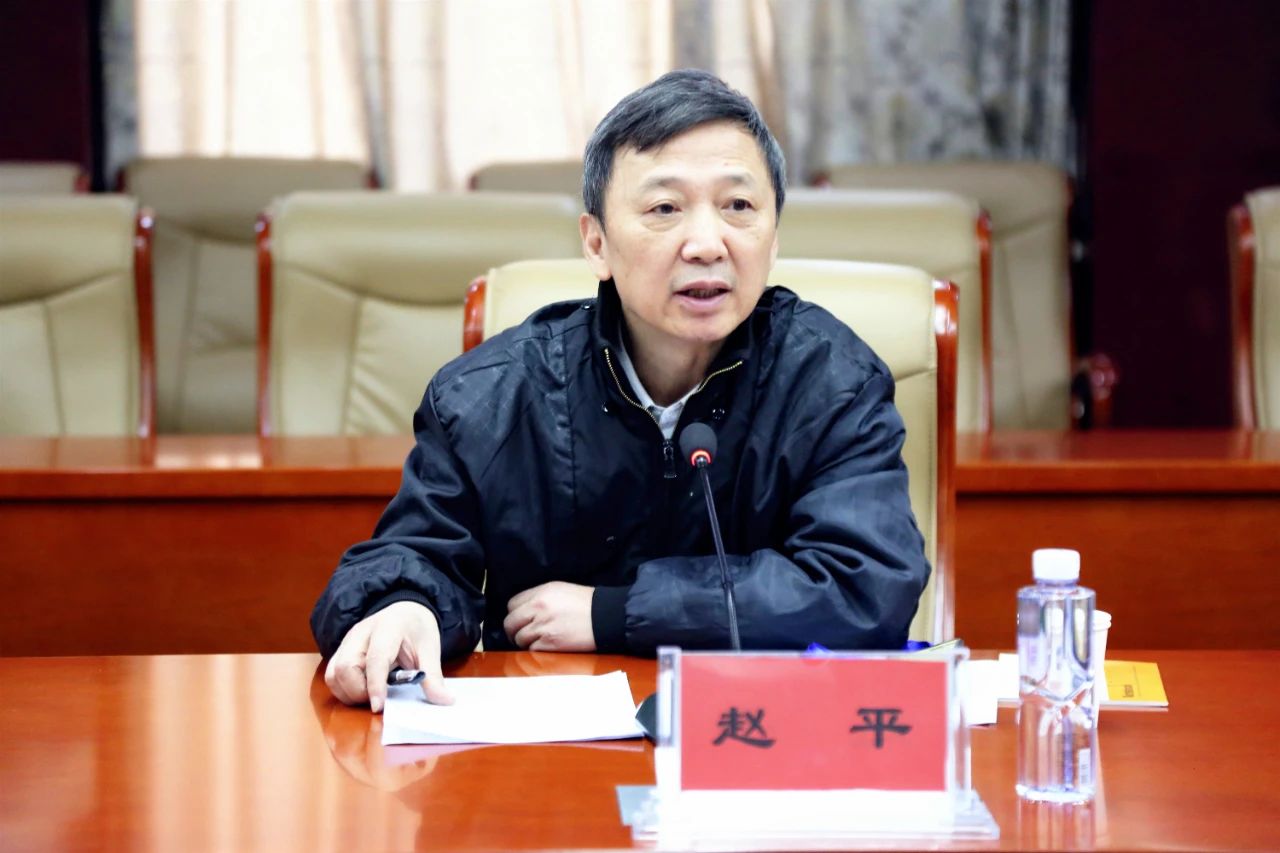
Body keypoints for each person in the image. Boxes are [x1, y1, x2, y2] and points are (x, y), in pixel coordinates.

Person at [312, 69, 930, 711]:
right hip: (545, 750)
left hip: (761, 735)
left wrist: (613, 613)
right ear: (596, 243)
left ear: (773, 239)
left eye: (738, 207)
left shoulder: (831, 381)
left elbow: (867, 587)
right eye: (665, 209)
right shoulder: (493, 394)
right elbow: (415, 553)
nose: (706, 243)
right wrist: (404, 606)